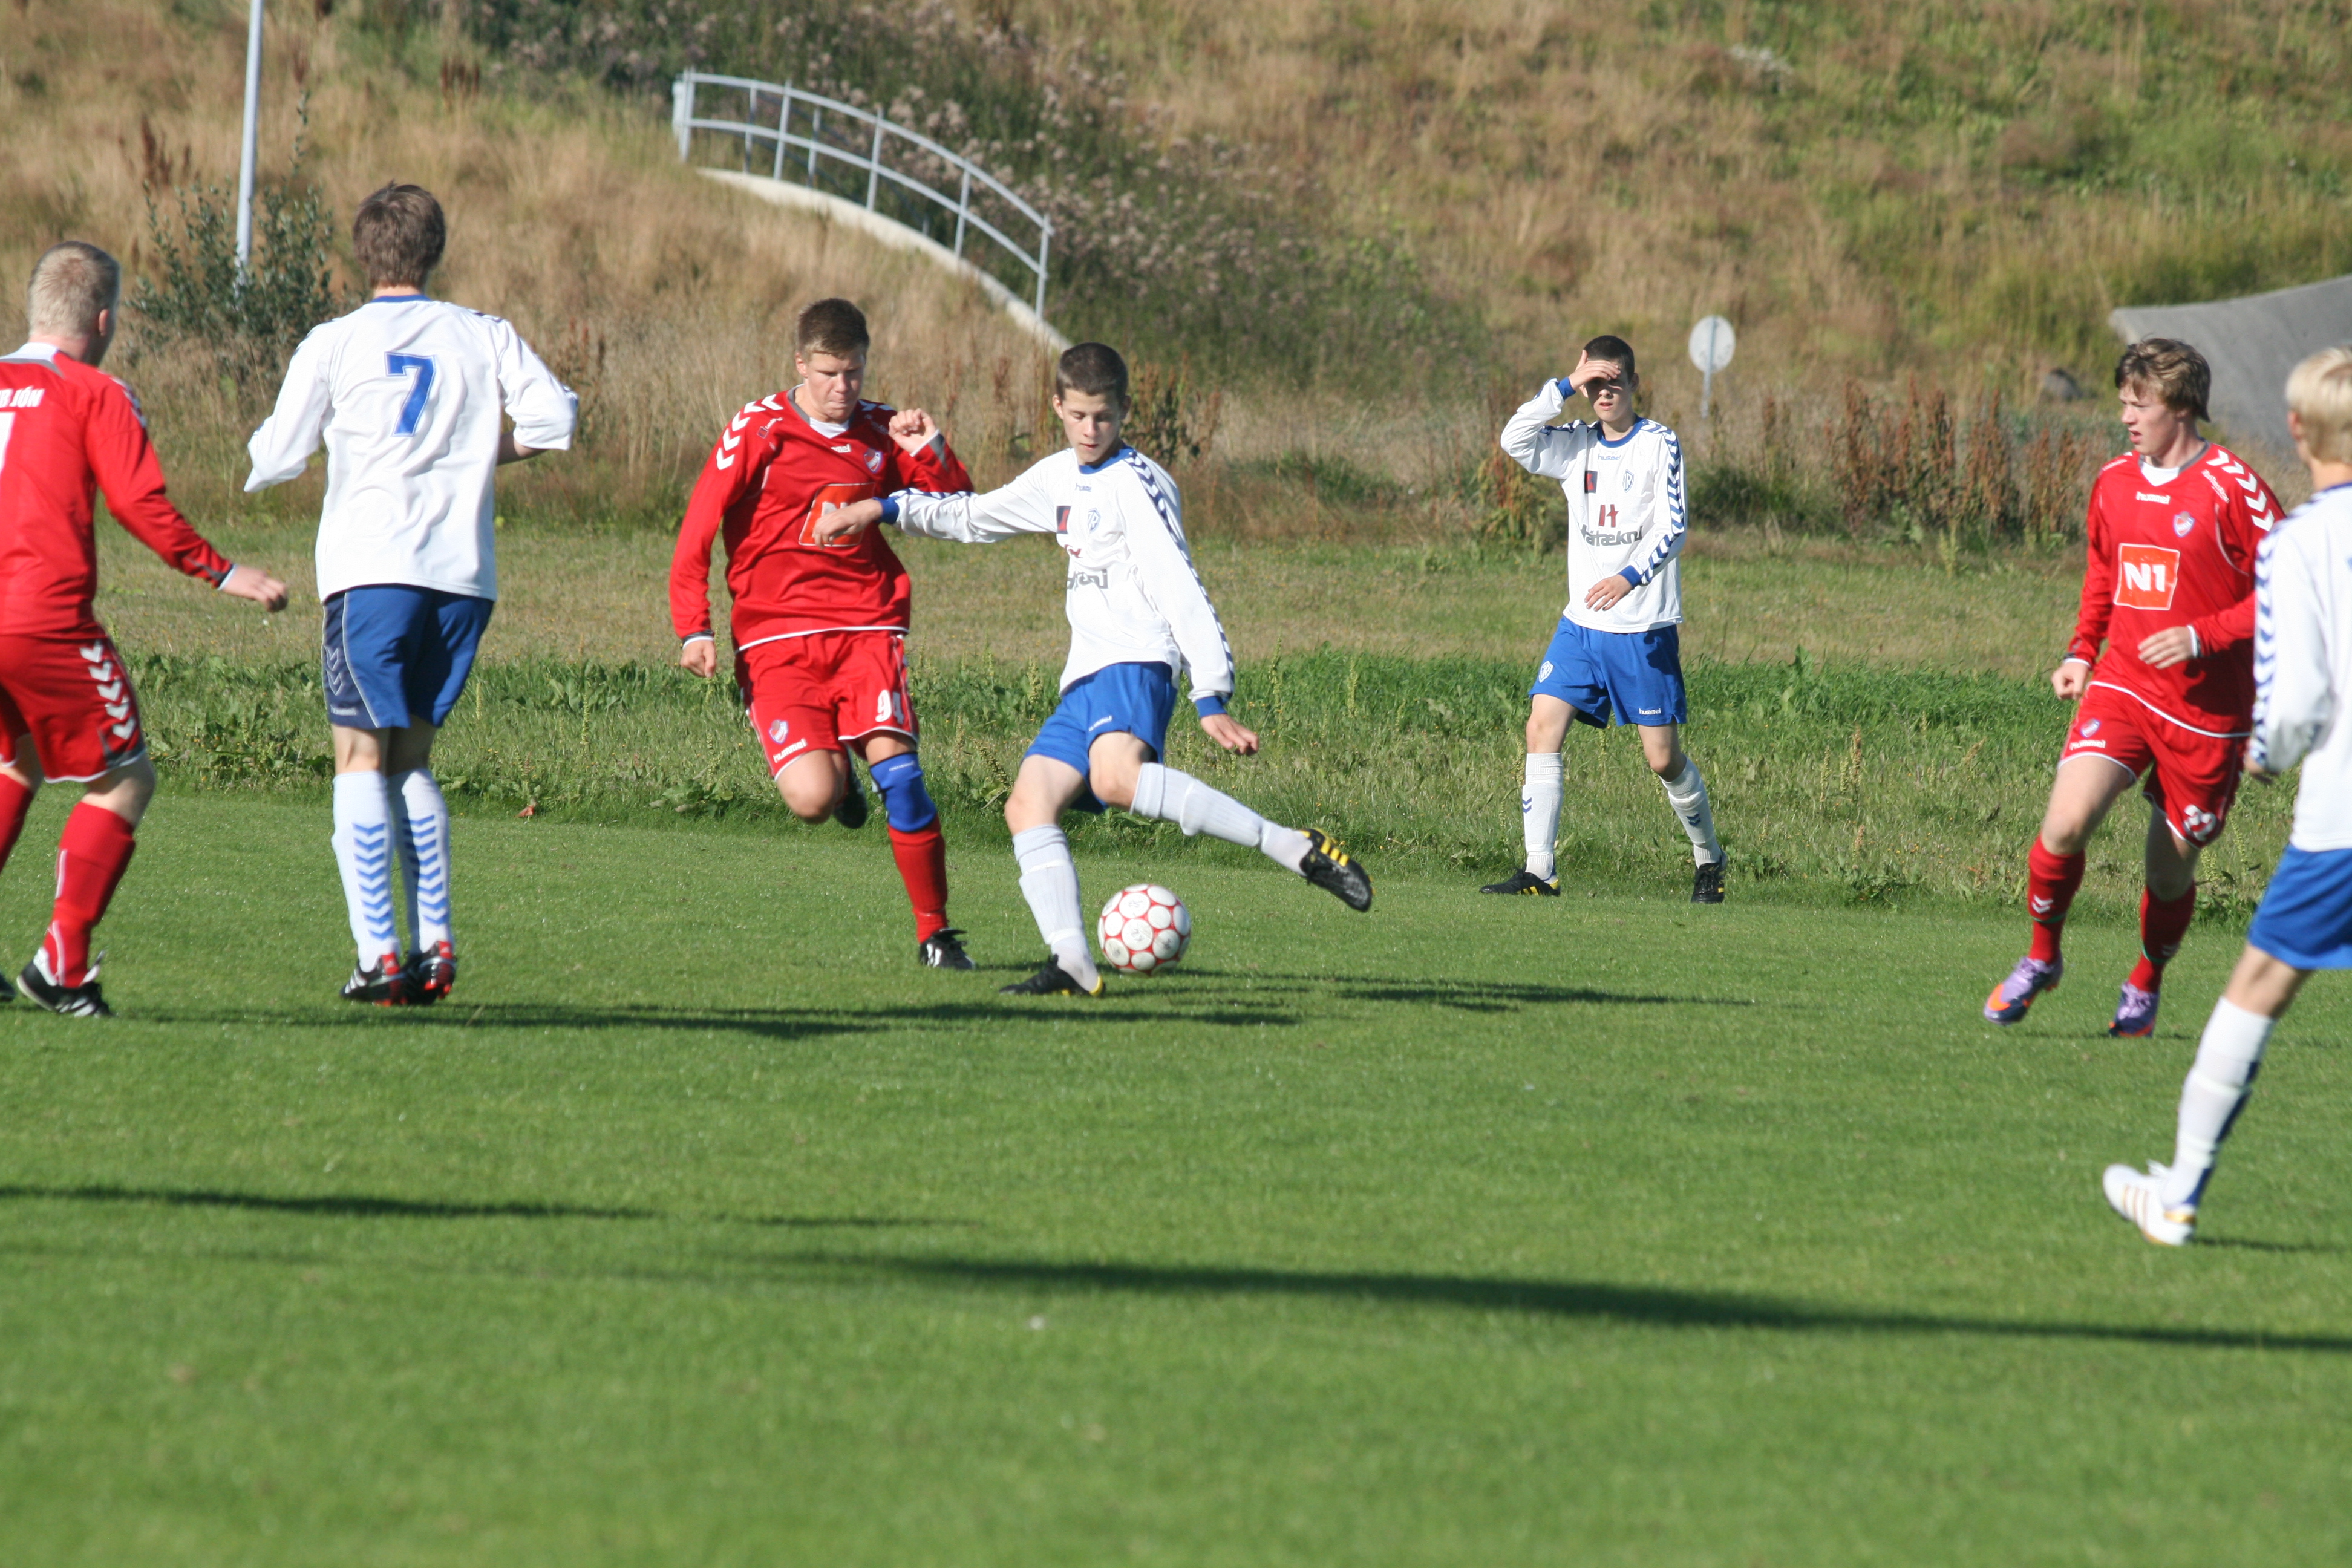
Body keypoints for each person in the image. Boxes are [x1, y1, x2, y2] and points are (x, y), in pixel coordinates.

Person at [814, 341, 1371, 996]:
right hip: (1084, 676)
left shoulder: (1139, 483)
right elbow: (975, 516)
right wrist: (883, 508)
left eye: (1103, 417)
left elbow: (1179, 584)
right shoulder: (1056, 476)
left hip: (1138, 659)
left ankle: (1291, 845)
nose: (1090, 430)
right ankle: (1073, 961)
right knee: (1028, 805)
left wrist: (1211, 692)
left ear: (1125, 410)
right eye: (1078, 416)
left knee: (1116, 780)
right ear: (1057, 406)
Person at [246, 183, 577, 1005]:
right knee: (411, 760)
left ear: (364, 254)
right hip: (462, 579)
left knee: (359, 758)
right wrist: (473, 454)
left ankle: (379, 957)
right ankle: (434, 946)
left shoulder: (336, 341)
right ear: (435, 251)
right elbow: (554, 421)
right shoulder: (484, 332)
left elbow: (276, 457)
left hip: (372, 572)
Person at [0, 242, 289, 1016]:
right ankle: (61, 966)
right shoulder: (95, 392)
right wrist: (223, 572)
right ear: (104, 320)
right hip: (41, 619)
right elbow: (137, 503)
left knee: (19, 762)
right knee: (127, 778)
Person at [2104, 347, 2352, 1244]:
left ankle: (2177, 1197)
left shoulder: (2300, 541)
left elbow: (2295, 702)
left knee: (2255, 989)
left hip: (2341, 822)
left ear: (2298, 430)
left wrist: (2268, 756)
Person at [1984, 338, 2282, 1036]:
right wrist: (2081, 651)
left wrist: (2203, 635)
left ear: (2180, 406)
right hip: (2124, 687)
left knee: (2168, 874)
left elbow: (2289, 592)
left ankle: (2146, 981)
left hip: (2208, 714)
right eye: (2122, 401)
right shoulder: (2115, 480)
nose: (2125, 416)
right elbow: (2103, 572)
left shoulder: (2236, 489)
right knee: (2064, 824)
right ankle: (2042, 957)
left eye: (2138, 403)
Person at [669, 299, 976, 970]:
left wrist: (931, 451)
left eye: (854, 372)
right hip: (775, 639)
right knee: (813, 799)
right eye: (830, 373)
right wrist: (694, 627)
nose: (843, 387)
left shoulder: (883, 429)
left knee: (904, 778)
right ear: (801, 365)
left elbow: (958, 507)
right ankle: (839, 782)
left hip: (867, 627)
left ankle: (936, 934)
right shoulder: (759, 428)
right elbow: (698, 527)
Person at [1481, 335, 1725, 902]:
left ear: (1634, 384)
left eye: (1614, 381)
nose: (1605, 392)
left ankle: (1709, 858)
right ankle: (1540, 871)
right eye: (1595, 384)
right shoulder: (1575, 444)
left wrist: (1629, 578)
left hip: (1642, 629)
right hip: (1581, 628)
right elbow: (1514, 439)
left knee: (1662, 760)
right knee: (1541, 727)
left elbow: (1674, 527)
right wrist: (1566, 385)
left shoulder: (1660, 443)